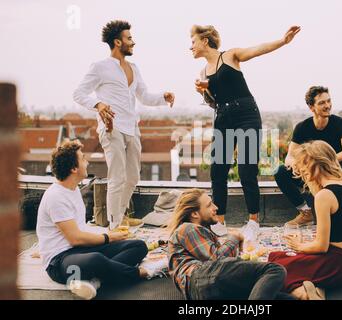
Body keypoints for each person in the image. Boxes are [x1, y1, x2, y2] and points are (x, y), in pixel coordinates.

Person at [190, 24, 301, 237]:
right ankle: (218, 221)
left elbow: (257, 49)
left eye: (193, 41)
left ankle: (253, 221)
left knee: (246, 169)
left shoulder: (230, 56)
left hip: (246, 114)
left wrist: (283, 41)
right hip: (223, 117)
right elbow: (214, 102)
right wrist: (204, 91)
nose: (191, 47)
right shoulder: (203, 72)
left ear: (205, 40)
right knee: (218, 170)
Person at [73, 20, 175, 230]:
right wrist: (98, 104)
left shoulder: (134, 68)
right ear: (117, 42)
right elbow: (79, 94)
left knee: (133, 176)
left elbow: (144, 96)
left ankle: (121, 216)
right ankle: (114, 225)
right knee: (117, 177)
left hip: (132, 127)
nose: (133, 42)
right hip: (112, 128)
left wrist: (163, 97)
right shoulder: (100, 67)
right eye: (129, 38)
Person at [36, 141, 154, 300]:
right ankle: (130, 274)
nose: (87, 162)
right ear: (74, 168)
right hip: (59, 262)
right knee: (96, 260)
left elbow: (81, 230)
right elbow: (75, 238)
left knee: (139, 246)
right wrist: (108, 238)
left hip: (80, 252)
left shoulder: (74, 189)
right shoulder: (56, 196)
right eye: (83, 159)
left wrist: (108, 236)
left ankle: (96, 280)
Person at [268, 141, 342, 300]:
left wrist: (299, 246)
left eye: (304, 164)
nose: (302, 170)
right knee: (277, 256)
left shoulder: (324, 196)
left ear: (317, 163)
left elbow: (321, 246)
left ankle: (305, 295)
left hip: (332, 264)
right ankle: (317, 287)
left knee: (274, 270)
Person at [167, 189, 293, 300]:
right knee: (274, 270)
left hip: (207, 286)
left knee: (280, 297)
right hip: (199, 278)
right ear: (195, 214)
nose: (216, 207)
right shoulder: (187, 228)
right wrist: (234, 237)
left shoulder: (199, 231)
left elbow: (224, 264)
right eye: (209, 205)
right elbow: (216, 260)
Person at [274, 86, 342, 226]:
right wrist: (295, 164)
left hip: (333, 171)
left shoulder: (341, 123)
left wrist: (322, 162)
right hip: (311, 173)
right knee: (280, 171)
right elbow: (289, 157)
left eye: (329, 101)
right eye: (322, 103)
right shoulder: (302, 127)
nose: (328, 105)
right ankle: (306, 213)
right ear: (311, 107)